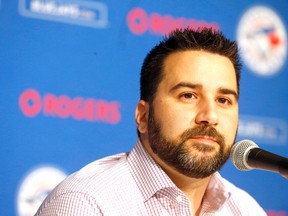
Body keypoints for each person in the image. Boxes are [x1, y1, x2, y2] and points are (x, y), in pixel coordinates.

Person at [35, 28, 267, 215]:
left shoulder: (246, 209)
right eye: (188, 95)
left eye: (223, 100)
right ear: (144, 116)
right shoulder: (86, 205)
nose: (210, 116)